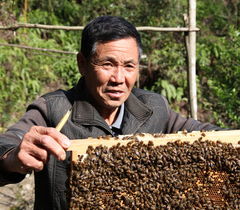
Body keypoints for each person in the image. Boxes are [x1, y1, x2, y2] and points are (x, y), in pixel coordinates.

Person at [0, 16, 223, 209]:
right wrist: (12, 158)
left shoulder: (154, 108)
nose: (118, 79)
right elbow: (8, 143)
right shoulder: (52, 108)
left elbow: (207, 135)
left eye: (129, 66)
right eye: (107, 64)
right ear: (82, 64)